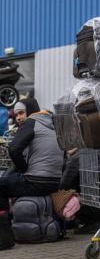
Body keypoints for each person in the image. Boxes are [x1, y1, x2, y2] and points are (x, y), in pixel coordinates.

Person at [0, 98, 64, 250]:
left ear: (30, 111)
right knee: (9, 180)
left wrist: (23, 168)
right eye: (16, 115)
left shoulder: (32, 122)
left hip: (36, 182)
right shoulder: (52, 123)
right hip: (55, 182)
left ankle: (4, 237)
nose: (19, 118)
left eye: (22, 113)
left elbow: (14, 149)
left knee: (1, 186)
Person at [52, 148, 100, 234]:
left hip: (96, 207)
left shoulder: (75, 159)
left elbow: (64, 186)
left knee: (64, 199)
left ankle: (92, 222)